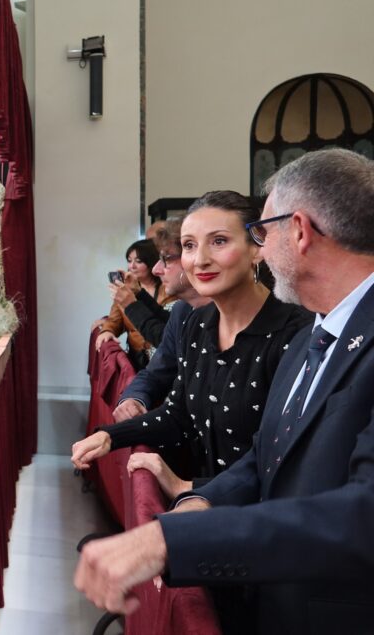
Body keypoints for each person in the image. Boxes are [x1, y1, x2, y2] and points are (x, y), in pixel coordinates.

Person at [74, 149, 374, 635]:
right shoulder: (313, 336)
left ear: (298, 231)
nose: (262, 247)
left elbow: (363, 515)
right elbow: (268, 455)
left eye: (263, 232)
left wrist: (171, 541)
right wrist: (201, 504)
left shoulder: (300, 333)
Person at [73, 191, 312, 499]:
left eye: (219, 241)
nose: (200, 260)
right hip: (206, 504)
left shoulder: (297, 332)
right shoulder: (197, 323)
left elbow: (283, 457)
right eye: (189, 245)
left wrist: (187, 488)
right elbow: (178, 414)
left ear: (257, 248)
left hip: (261, 515)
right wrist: (109, 436)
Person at [112, 219, 213, 422]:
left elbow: (159, 333)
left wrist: (132, 304)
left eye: (165, 258)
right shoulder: (183, 310)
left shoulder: (181, 302)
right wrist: (134, 399)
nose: (157, 269)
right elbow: (158, 368)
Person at [96, 239, 175, 370]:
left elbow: (169, 322)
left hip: (165, 357)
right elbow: (114, 320)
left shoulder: (170, 288)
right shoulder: (125, 291)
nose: (132, 266)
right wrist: (107, 330)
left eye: (138, 261)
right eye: (129, 260)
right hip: (137, 358)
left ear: (151, 262)